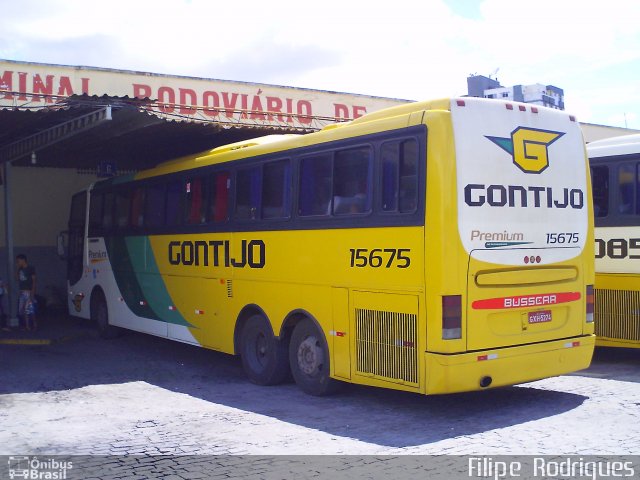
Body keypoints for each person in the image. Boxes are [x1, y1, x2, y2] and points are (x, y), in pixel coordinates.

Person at [16, 254, 37, 331]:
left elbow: (34, 280)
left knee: (29, 310)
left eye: (18, 261)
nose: (17, 263)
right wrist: (18, 270)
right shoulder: (20, 269)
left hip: (28, 291)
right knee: (21, 310)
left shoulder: (30, 268)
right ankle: (26, 325)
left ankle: (32, 325)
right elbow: (17, 279)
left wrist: (33, 292)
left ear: (23, 260)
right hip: (22, 291)